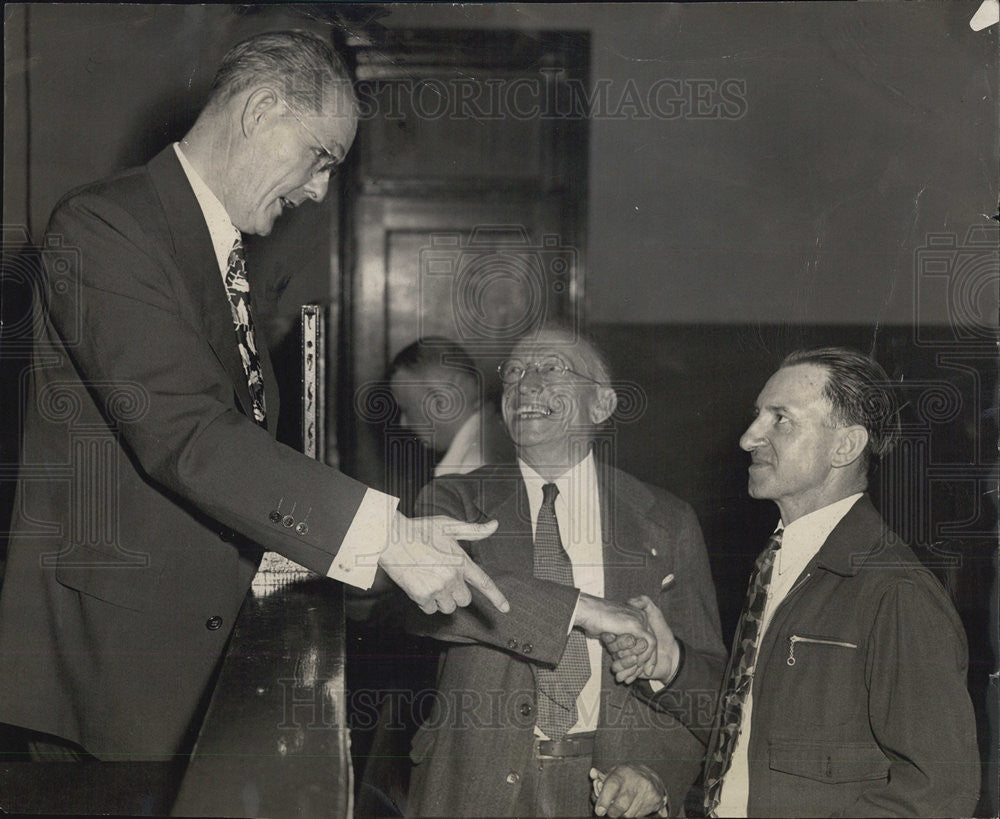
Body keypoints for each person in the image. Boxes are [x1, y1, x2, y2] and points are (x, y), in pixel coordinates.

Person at [0, 30, 510, 764]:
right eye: (321, 158)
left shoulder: (218, 249)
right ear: (263, 109)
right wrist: (385, 534)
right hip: (116, 664)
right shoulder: (105, 225)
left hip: (196, 642)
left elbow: (240, 451)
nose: (319, 191)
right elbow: (189, 435)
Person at [404, 326, 727, 817]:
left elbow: (703, 684)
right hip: (474, 787)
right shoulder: (453, 500)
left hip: (610, 789)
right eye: (512, 373)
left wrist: (658, 771)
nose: (524, 385)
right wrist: (583, 611)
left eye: (550, 369)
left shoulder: (667, 520)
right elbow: (437, 609)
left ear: (601, 405)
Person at [701, 347, 980, 817]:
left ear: (845, 446)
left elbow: (938, 792)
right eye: (756, 417)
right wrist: (671, 666)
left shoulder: (895, 592)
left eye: (780, 419)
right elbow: (753, 718)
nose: (749, 437)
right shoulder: (779, 564)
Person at [389, 336, 514, 478]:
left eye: (406, 409)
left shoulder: (471, 469)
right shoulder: (501, 436)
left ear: (442, 401)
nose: (403, 424)